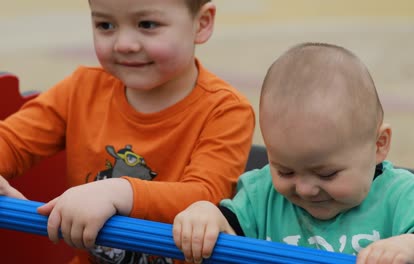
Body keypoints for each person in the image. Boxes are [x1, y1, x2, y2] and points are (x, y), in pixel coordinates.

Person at [0, 0, 255, 263]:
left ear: (201, 24)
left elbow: (206, 196)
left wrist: (118, 192)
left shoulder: (225, 110)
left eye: (147, 24)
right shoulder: (81, 89)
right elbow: (12, 140)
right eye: (105, 25)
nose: (123, 44)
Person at [172, 42, 414, 264]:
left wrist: (411, 248)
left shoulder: (400, 195)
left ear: (378, 145)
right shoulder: (263, 193)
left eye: (327, 173)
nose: (306, 188)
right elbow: (226, 226)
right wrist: (205, 214)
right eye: (285, 170)